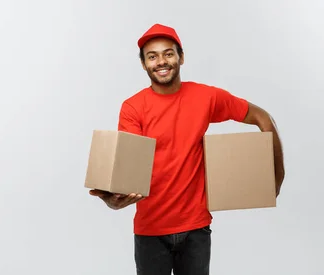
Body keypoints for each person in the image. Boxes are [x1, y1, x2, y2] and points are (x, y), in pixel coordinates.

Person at [89, 23, 286, 275]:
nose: (161, 61)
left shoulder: (206, 97)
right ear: (143, 64)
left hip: (196, 229)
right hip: (151, 231)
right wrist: (113, 199)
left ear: (181, 57)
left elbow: (263, 118)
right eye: (152, 56)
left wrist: (277, 177)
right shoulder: (133, 108)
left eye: (168, 53)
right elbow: (129, 169)